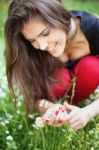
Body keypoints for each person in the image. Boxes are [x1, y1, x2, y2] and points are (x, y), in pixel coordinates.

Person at [4, 0, 99, 131]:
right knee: (59, 78)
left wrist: (87, 112)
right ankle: (66, 108)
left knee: (93, 67)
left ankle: (74, 105)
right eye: (32, 40)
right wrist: (49, 108)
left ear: (60, 17)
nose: (42, 46)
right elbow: (36, 100)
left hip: (85, 79)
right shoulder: (32, 50)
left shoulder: (94, 28)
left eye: (45, 33)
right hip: (56, 92)